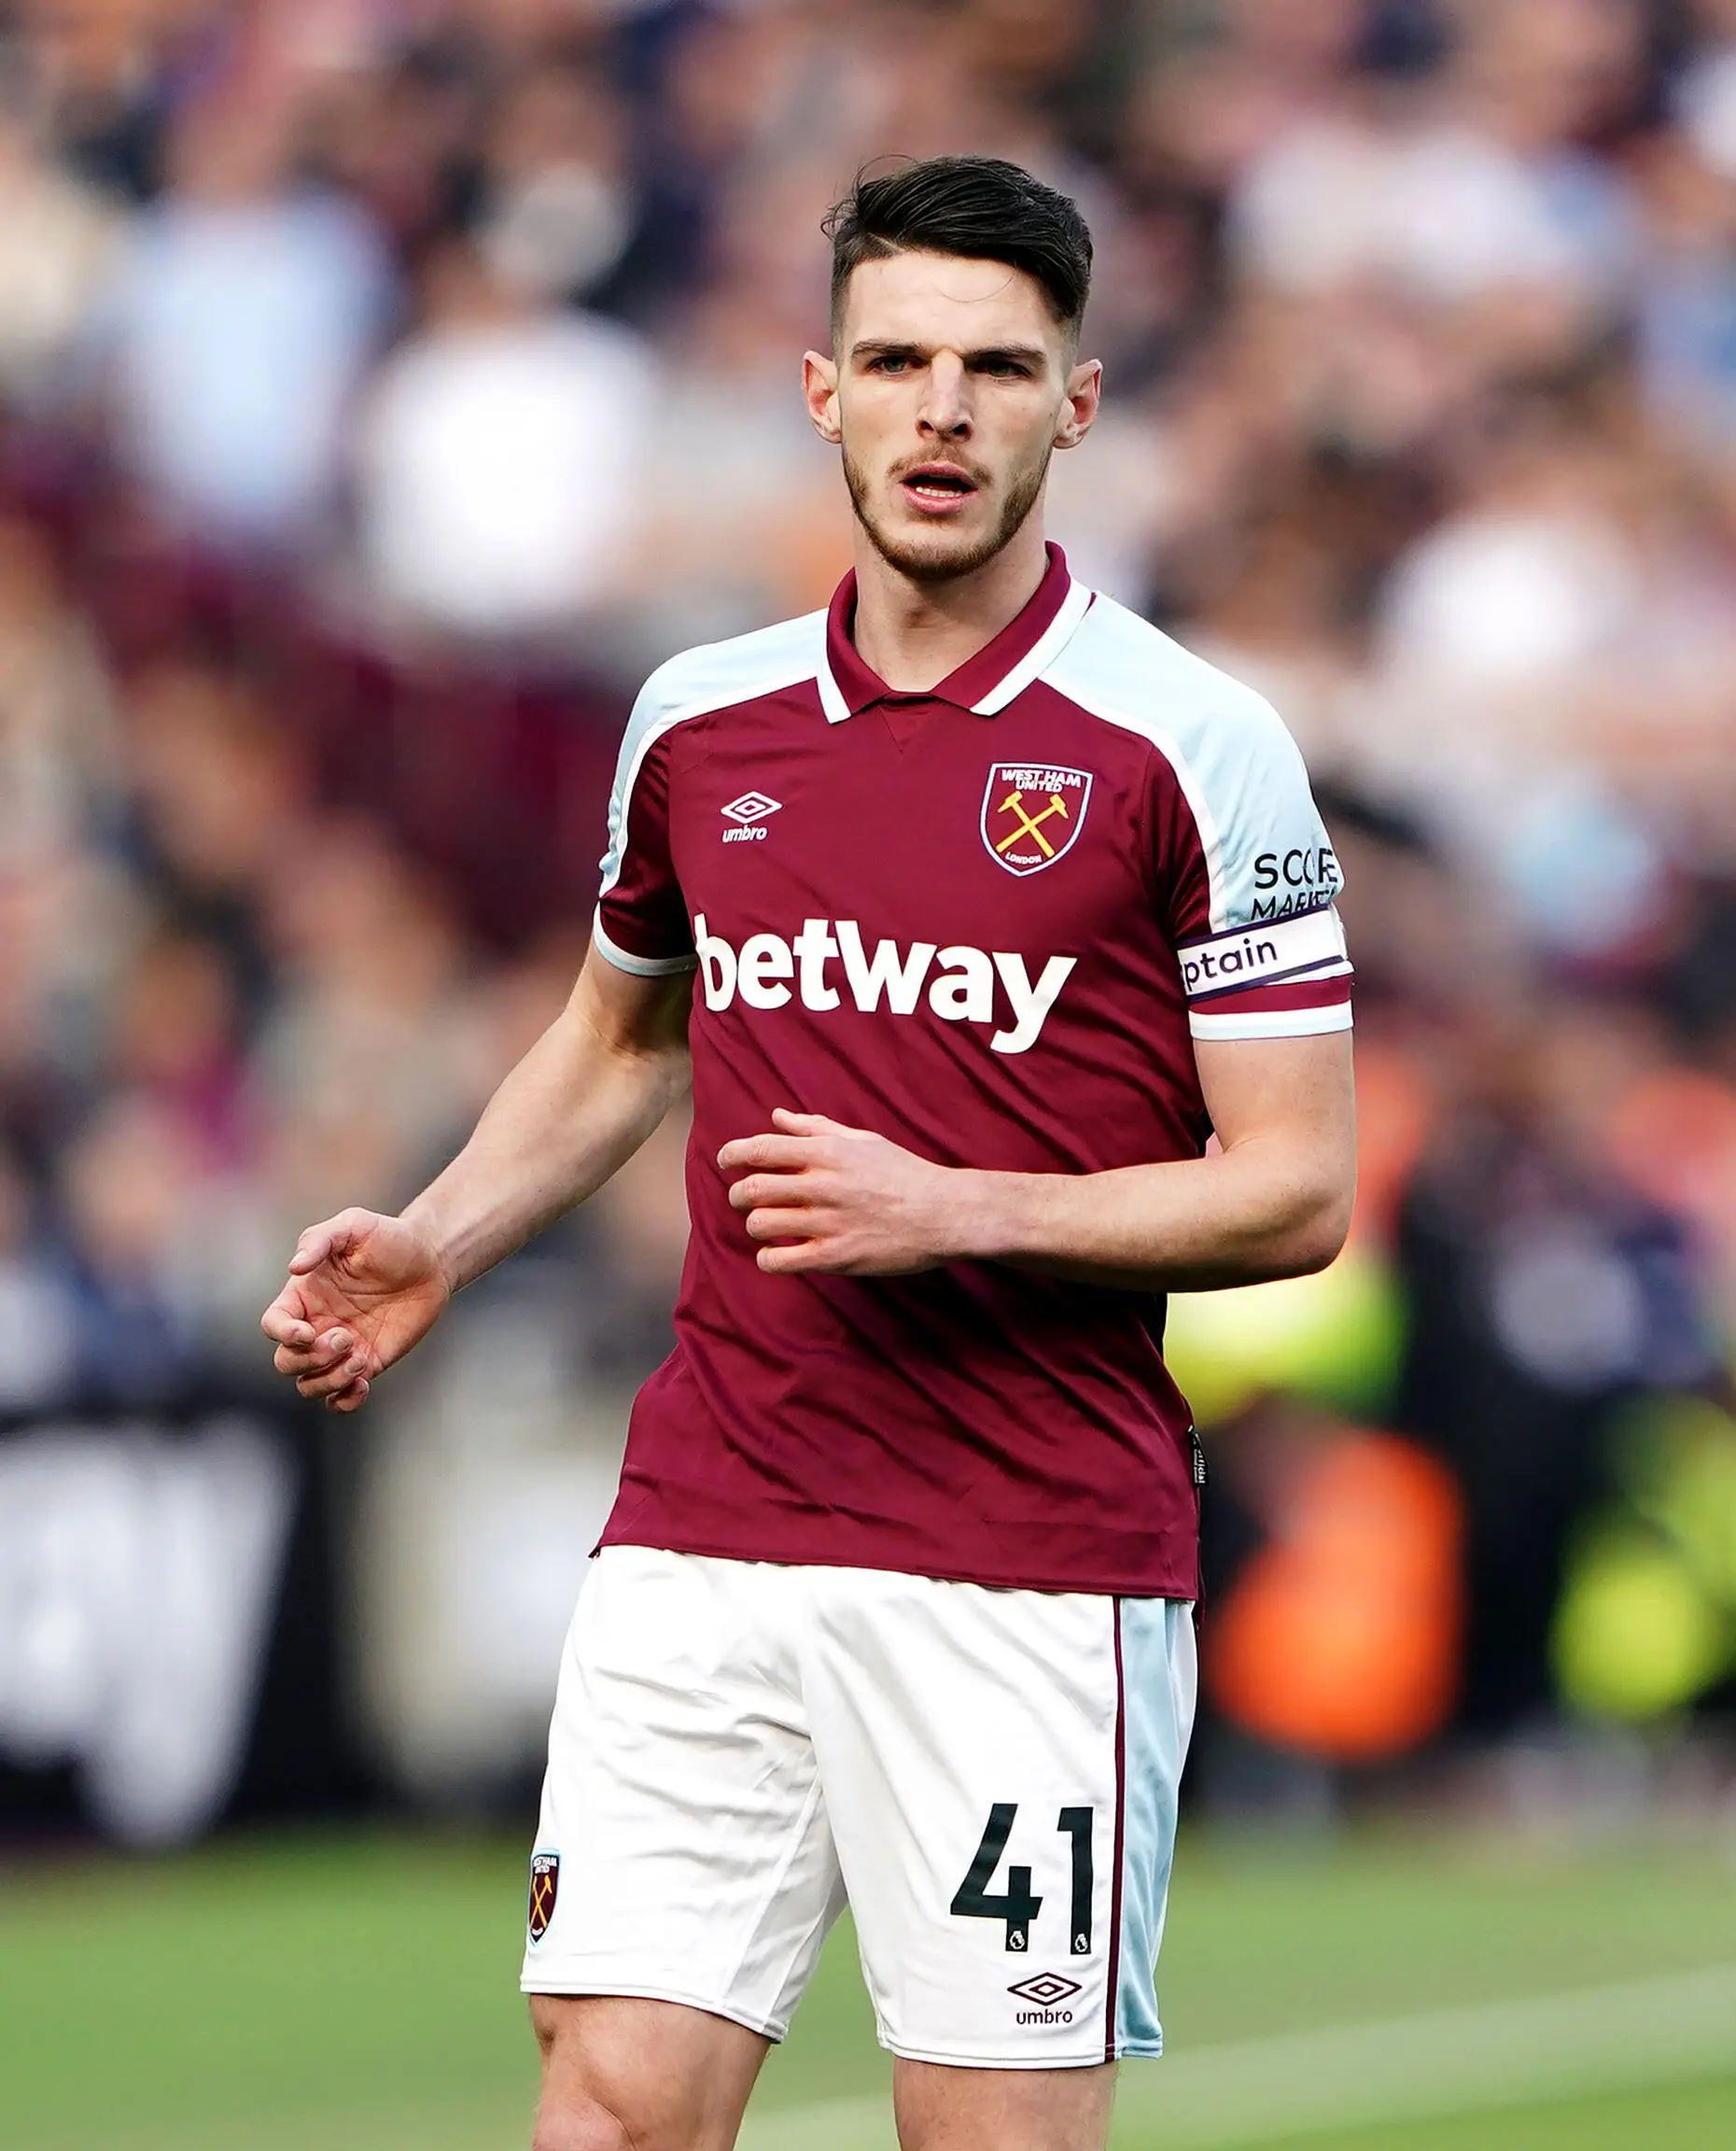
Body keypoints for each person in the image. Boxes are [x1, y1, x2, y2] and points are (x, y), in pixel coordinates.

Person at [261, 155, 1357, 2151]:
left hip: (1024, 1568)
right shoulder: (702, 725)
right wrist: (441, 1235)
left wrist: (965, 1211)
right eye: (900, 360)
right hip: (706, 1525)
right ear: (820, 389)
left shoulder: (1193, 746)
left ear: (1076, 408)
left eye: (998, 371)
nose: (944, 411)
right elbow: (620, 1032)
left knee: (990, 2137)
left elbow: (1297, 1184)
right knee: (606, 2111)